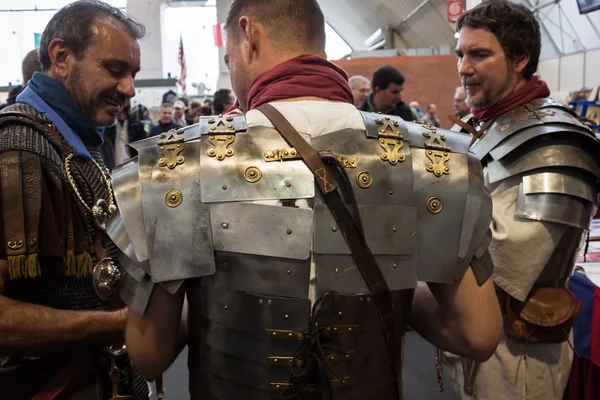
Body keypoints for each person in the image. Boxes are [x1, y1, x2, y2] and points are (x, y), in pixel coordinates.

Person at [113, 0, 502, 398]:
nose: (233, 75)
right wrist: (397, 289)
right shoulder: (432, 160)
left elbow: (148, 354)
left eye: (229, 59)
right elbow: (479, 334)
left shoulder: (174, 166)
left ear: (249, 36)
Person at [444, 1, 600, 399]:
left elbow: (503, 267)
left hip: (519, 357)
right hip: (473, 335)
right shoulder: (493, 126)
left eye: (479, 54)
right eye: (460, 54)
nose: (463, 67)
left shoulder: (556, 146)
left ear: (521, 58)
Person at [0, 1, 149, 399]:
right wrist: (123, 322)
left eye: (133, 75)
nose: (129, 90)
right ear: (61, 57)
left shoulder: (72, 136)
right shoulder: (18, 151)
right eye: (115, 70)